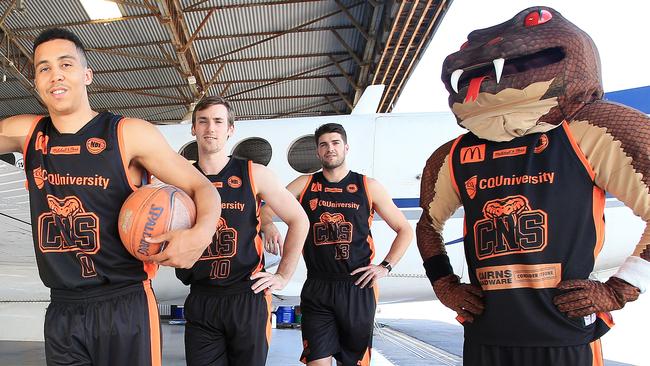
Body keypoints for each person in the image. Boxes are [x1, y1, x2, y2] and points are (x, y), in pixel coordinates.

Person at [417, 7, 650, 366]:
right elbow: (428, 225)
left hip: (564, 335)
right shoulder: (453, 155)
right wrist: (443, 284)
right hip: (486, 334)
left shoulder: (590, 129)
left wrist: (621, 289)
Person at [0, 28, 221, 366]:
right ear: (36, 82)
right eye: (43, 68)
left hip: (124, 302)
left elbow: (202, 187)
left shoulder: (128, 134)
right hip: (63, 308)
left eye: (66, 64)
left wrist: (201, 232)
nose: (55, 74)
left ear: (87, 74)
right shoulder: (28, 133)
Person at [261, 123, 413, 366]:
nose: (329, 149)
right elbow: (266, 210)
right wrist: (268, 224)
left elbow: (404, 230)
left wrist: (385, 266)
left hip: (357, 286)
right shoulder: (305, 184)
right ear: (318, 152)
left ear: (346, 147)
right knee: (317, 361)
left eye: (335, 143)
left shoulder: (368, 186)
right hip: (318, 286)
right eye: (323, 145)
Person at [175, 96, 309, 366]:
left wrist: (282, 275)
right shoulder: (180, 178)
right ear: (193, 129)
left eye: (218, 121)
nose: (210, 128)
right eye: (203, 122)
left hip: (246, 297)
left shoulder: (253, 173)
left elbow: (299, 220)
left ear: (230, 129)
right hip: (202, 297)